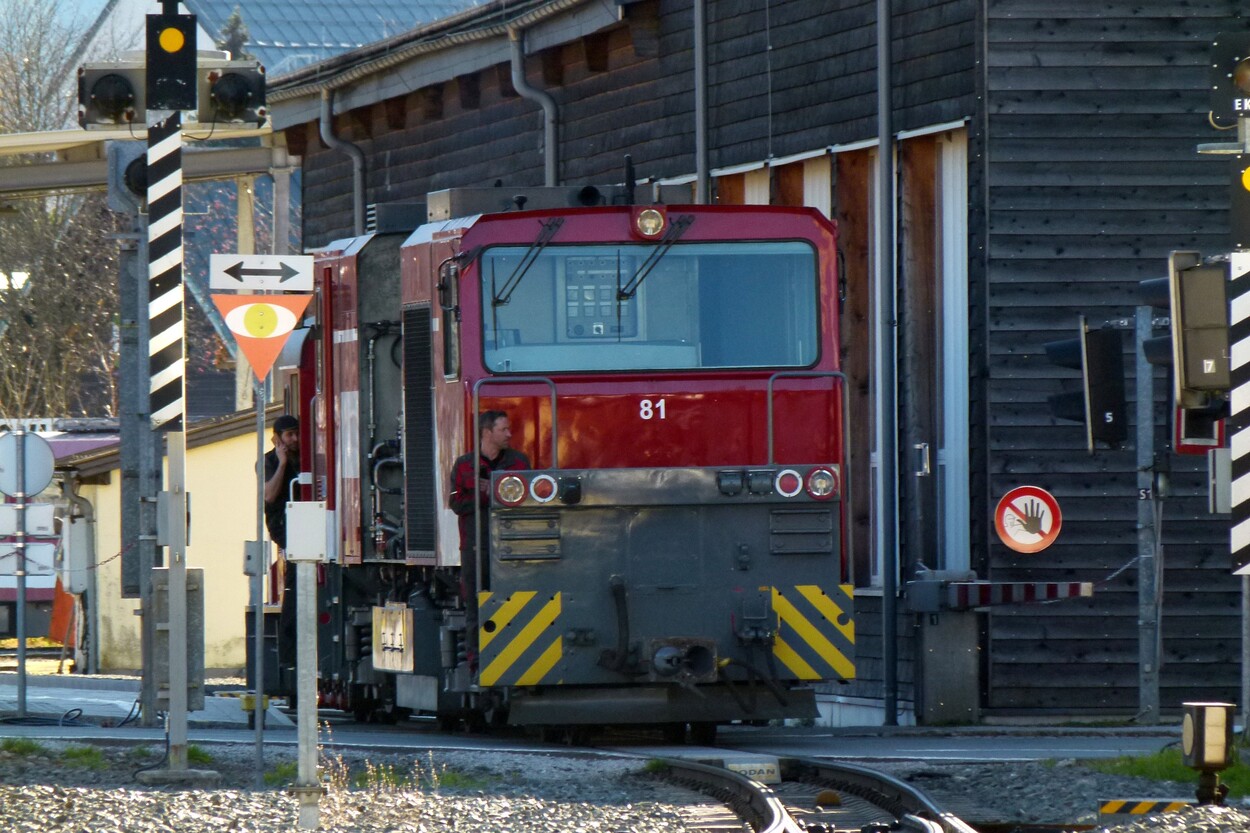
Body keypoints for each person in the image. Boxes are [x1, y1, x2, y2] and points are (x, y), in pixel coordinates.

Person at [449, 410, 529, 658]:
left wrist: (492, 489)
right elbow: (456, 504)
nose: (509, 434)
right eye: (503, 429)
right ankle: (477, 665)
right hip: (475, 547)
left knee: (517, 603)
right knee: (475, 607)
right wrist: (493, 493)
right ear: (486, 432)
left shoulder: (519, 462)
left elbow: (526, 500)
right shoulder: (463, 465)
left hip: (513, 545)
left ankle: (519, 658)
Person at [263, 414, 300, 552]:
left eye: (297, 434)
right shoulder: (267, 461)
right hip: (282, 525)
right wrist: (282, 464)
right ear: (277, 439)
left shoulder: (307, 457)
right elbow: (269, 496)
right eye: (289, 435)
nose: (295, 439)